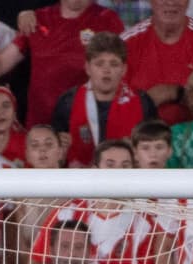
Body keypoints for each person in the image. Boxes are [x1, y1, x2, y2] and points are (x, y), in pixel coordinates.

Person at [0, 0, 124, 130]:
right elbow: (2, 62)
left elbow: (123, 66)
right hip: (41, 130)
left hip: (86, 127)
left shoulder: (108, 20)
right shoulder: (37, 19)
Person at [120, 0, 193, 127]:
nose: (171, 2)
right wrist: (146, 101)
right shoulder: (127, 43)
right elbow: (113, 105)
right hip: (139, 138)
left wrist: (176, 92)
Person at [59, 32, 153, 168]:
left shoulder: (143, 102)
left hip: (128, 184)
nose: (106, 70)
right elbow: (57, 157)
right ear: (87, 68)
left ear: (124, 69)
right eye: (99, 64)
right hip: (81, 184)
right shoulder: (68, 102)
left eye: (114, 64)